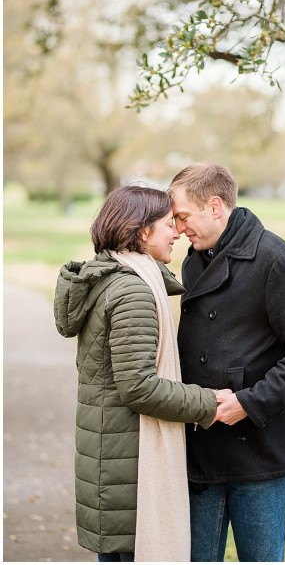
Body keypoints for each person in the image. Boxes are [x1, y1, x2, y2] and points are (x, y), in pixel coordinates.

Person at [168, 162, 285, 562]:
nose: (176, 229)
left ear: (214, 206)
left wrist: (249, 402)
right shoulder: (194, 259)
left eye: (182, 216)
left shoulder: (275, 259)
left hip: (262, 450)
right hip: (203, 447)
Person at [54, 185, 228, 562]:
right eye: (169, 224)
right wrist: (210, 402)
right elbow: (139, 387)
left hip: (112, 459)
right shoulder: (133, 291)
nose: (178, 232)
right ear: (141, 231)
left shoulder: (110, 280)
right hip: (129, 467)